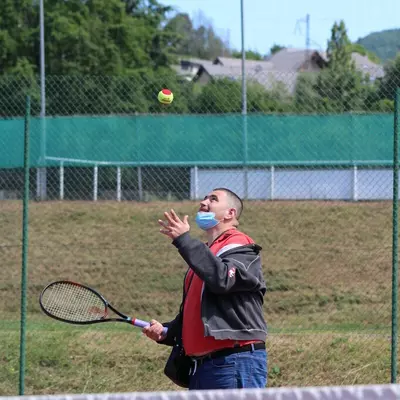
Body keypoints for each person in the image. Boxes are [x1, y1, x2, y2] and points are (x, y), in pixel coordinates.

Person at [143, 187, 268, 390]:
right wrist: (168, 331)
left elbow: (222, 279)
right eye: (203, 198)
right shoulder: (205, 254)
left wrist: (184, 240)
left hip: (234, 361)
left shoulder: (241, 245)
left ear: (230, 213)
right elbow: (197, 310)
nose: (203, 202)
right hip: (201, 368)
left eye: (213, 199)